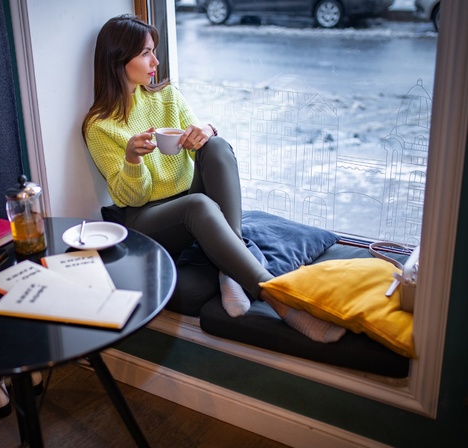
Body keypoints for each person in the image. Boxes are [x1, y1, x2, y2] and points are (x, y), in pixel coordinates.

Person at [82, 14, 345, 344]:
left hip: (186, 199)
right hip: (146, 218)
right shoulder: (100, 126)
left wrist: (205, 132)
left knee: (217, 146)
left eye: (154, 51)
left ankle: (229, 269)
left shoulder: (166, 97)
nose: (156, 61)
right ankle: (282, 303)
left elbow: (199, 147)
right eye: (146, 53)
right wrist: (133, 159)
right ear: (119, 60)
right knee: (197, 205)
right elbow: (130, 199)